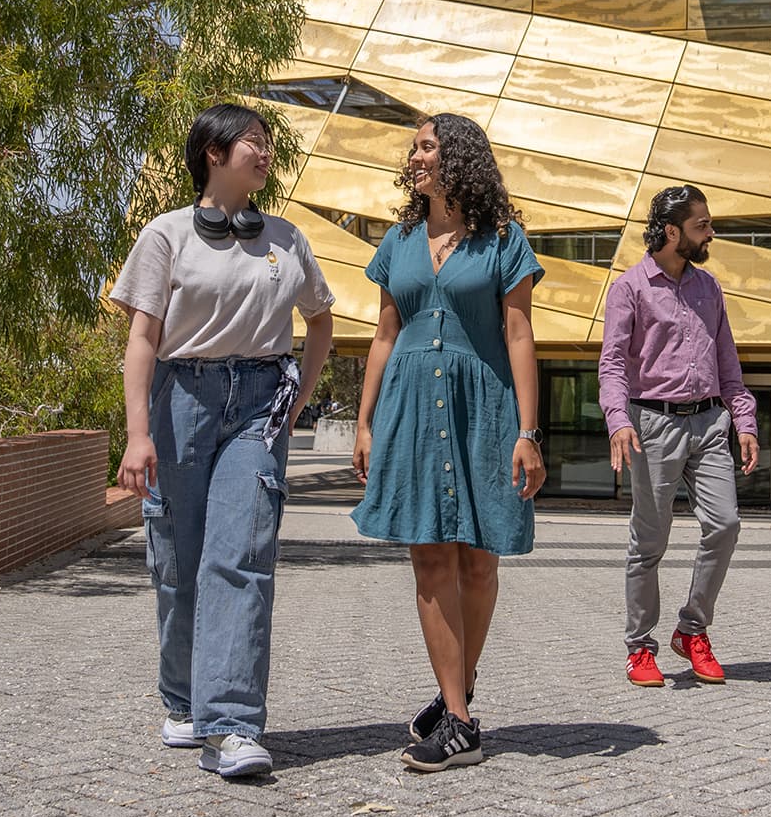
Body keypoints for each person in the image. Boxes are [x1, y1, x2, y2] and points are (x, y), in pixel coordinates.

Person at [110, 103, 336, 778]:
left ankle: (232, 727)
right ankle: (183, 701)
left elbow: (320, 323)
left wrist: (295, 400)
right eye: (254, 144)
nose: (265, 155)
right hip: (182, 398)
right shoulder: (166, 234)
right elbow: (142, 339)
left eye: (268, 146)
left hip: (257, 407)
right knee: (178, 562)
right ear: (214, 152)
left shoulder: (289, 239)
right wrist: (137, 435)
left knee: (240, 555)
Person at [352, 112, 545, 773]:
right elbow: (383, 334)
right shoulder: (400, 239)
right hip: (409, 405)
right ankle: (460, 723)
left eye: (426, 146)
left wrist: (528, 430)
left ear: (458, 156)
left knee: (480, 563)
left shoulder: (503, 240)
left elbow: (519, 335)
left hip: (483, 409)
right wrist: (364, 420)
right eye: (414, 148)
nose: (415, 157)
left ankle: (453, 691)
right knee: (433, 561)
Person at [598, 185, 759, 688]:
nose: (711, 233)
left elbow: (727, 362)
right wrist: (618, 421)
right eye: (702, 225)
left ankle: (692, 630)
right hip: (654, 424)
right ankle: (640, 646)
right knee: (650, 541)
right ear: (671, 231)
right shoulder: (630, 288)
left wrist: (744, 419)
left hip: (710, 421)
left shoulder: (709, 287)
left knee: (725, 524)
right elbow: (612, 365)